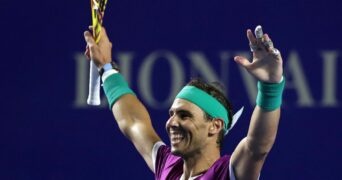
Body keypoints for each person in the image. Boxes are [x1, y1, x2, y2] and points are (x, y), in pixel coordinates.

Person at [83, 25, 285, 180]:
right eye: (172, 114)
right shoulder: (168, 166)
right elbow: (134, 122)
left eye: (184, 115)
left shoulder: (227, 173)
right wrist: (106, 68)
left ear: (215, 126)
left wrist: (270, 87)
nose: (172, 123)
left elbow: (257, 146)